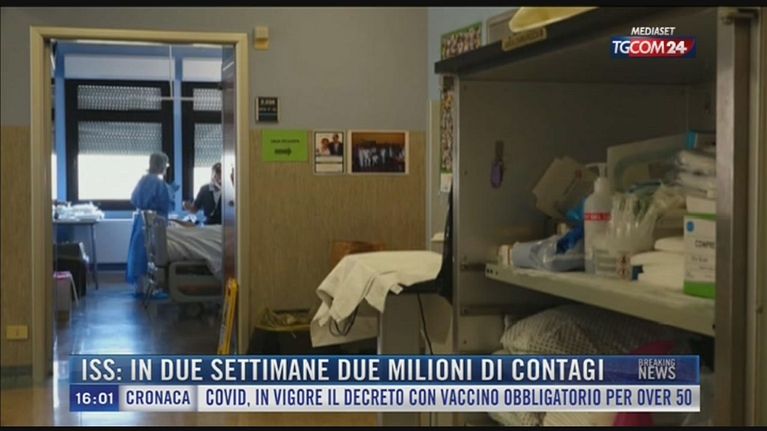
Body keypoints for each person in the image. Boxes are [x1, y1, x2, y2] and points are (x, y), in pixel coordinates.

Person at [126, 152, 173, 296]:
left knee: (140, 253)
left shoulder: (143, 180)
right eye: (165, 165)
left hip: (142, 220)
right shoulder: (158, 183)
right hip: (155, 222)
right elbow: (166, 204)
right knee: (152, 254)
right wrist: (171, 191)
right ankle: (151, 287)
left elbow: (134, 199)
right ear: (161, 165)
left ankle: (141, 286)